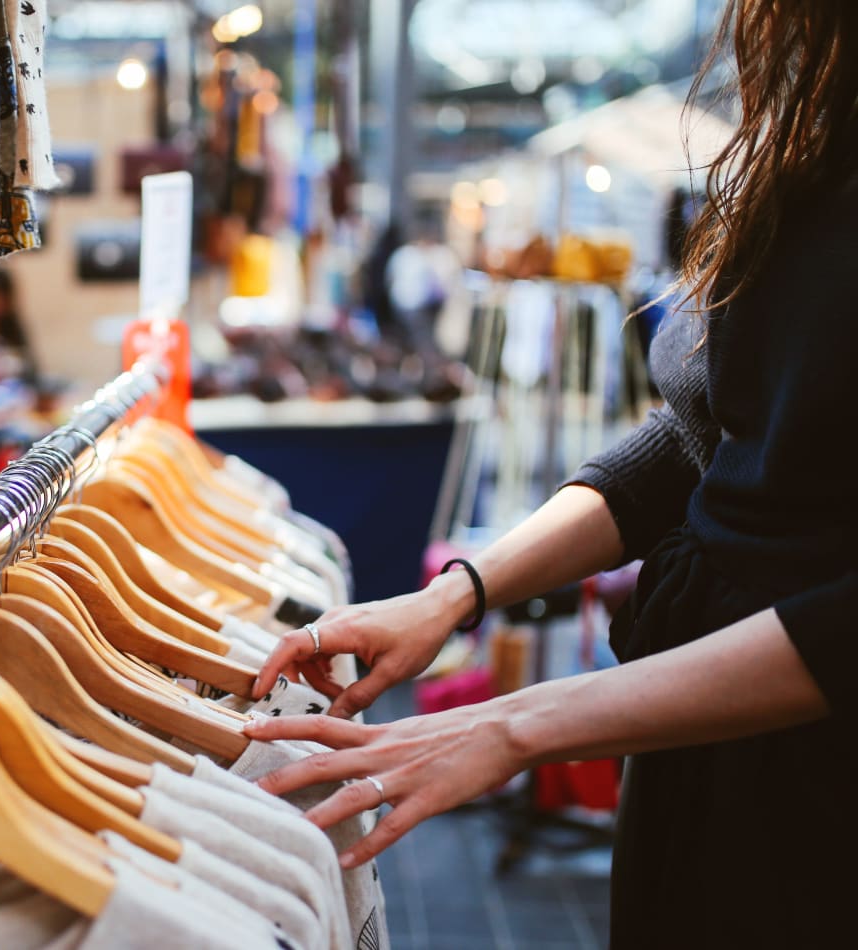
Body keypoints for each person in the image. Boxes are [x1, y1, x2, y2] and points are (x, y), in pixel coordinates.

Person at [241, 3, 858, 946]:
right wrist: (458, 593)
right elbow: (710, 437)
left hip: (812, 776)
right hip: (697, 736)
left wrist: (514, 726)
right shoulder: (815, 124)